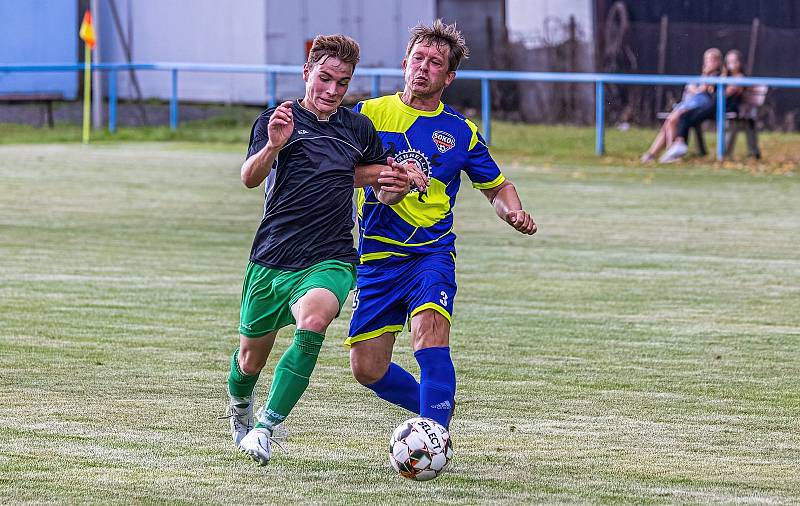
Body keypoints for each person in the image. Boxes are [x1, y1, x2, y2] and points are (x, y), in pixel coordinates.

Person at [225, 34, 420, 466]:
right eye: (325, 79)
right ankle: (240, 405)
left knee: (312, 322)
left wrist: (397, 182)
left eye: (342, 83)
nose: (332, 91)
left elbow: (380, 182)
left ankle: (266, 427)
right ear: (306, 73)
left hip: (330, 256)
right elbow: (249, 178)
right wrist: (274, 144)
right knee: (248, 362)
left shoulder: (357, 129)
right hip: (272, 258)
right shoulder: (276, 120)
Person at [346, 20, 537, 432]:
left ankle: (434, 434)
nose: (424, 68)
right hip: (376, 257)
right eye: (418, 58)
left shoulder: (460, 132)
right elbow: (340, 168)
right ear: (404, 63)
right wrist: (381, 177)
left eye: (435, 63)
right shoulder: (368, 115)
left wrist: (513, 212)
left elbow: (497, 186)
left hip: (430, 253)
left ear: (448, 77)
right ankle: (437, 406)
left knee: (429, 333)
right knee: (367, 367)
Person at [659, 49, 747, 163]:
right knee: (685, 115)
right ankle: (679, 144)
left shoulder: (739, 78)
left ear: (740, 63)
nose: (732, 65)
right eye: (729, 62)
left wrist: (716, 85)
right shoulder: (725, 76)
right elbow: (712, 90)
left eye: (735, 62)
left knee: (685, 116)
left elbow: (724, 94)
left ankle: (679, 145)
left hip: (723, 107)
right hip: (714, 106)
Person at [641, 48, 722, 163]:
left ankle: (666, 153)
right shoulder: (702, 76)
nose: (710, 62)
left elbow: (703, 90)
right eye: (707, 59)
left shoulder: (719, 76)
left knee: (672, 120)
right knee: (669, 122)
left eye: (713, 60)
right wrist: (698, 86)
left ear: (718, 61)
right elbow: (692, 88)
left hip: (700, 106)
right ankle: (655, 153)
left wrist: (698, 87)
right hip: (690, 103)